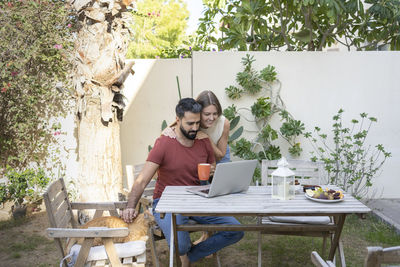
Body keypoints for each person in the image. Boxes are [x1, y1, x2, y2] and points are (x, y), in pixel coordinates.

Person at [121, 98, 243, 267]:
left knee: (236, 230)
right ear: (177, 120)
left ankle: (191, 256)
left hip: (198, 200)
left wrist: (213, 170)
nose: (194, 128)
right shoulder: (164, 143)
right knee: (182, 244)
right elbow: (142, 180)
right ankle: (186, 252)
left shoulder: (204, 141)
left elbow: (212, 165)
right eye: (190, 123)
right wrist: (129, 206)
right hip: (168, 204)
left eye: (197, 123)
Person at [163, 90, 231, 165]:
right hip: (202, 155)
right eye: (207, 114)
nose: (211, 118)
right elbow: (167, 132)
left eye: (215, 113)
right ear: (198, 112)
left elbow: (220, 156)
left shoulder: (224, 123)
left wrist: (207, 138)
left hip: (218, 153)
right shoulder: (190, 121)